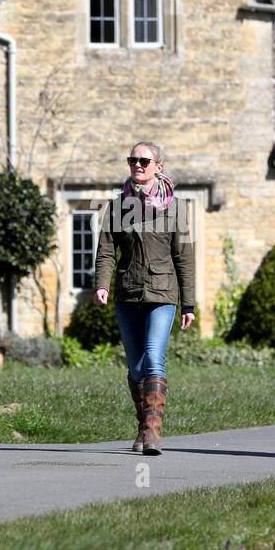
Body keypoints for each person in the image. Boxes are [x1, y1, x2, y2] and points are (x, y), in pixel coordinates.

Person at [93, 141, 195, 455]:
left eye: (144, 161)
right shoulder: (118, 206)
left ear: (158, 167)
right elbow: (106, 252)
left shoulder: (175, 208)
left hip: (163, 293)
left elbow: (185, 257)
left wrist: (188, 304)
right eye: (133, 160)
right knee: (136, 368)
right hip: (128, 293)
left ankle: (153, 432)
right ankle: (142, 425)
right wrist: (103, 285)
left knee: (154, 357)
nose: (137, 165)